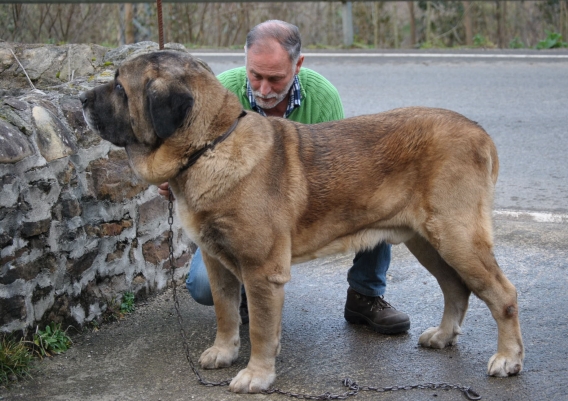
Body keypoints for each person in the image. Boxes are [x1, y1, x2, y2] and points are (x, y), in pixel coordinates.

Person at [159, 20, 410, 334]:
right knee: (201, 286)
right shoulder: (221, 92)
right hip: (238, 217)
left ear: (298, 64)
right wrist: (178, 183)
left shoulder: (322, 97)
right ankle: (248, 297)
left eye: (275, 79)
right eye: (255, 75)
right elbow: (192, 162)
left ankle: (365, 295)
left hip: (304, 208)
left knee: (374, 194)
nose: (264, 90)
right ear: (245, 62)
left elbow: (343, 180)